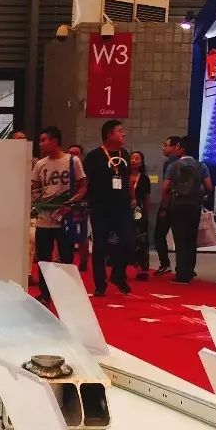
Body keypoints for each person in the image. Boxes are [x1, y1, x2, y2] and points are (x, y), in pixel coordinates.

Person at [30, 126, 87, 301]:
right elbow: (34, 187)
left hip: (65, 219)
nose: (40, 144)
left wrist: (71, 202)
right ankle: (45, 294)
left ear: (54, 141)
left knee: (66, 259)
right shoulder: (40, 164)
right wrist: (39, 203)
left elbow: (83, 186)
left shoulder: (73, 161)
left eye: (43, 140)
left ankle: (66, 295)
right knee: (44, 259)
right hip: (44, 219)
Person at [82, 120, 134, 295]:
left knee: (128, 241)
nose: (123, 134)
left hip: (122, 206)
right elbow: (85, 181)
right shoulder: (94, 156)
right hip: (100, 207)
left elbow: (128, 180)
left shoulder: (124, 154)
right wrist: (83, 200)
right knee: (100, 245)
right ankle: (100, 283)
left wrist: (133, 198)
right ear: (109, 135)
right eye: (120, 131)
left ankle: (118, 274)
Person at [160, 136, 214, 284]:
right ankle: (189, 271)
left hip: (177, 206)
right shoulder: (201, 166)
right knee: (191, 239)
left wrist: (164, 206)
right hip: (194, 207)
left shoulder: (173, 166)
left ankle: (181, 275)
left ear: (183, 149)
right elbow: (209, 187)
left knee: (180, 240)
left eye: (178, 146)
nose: (176, 148)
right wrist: (200, 194)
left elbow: (165, 188)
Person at [153, 136, 184, 275]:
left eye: (166, 145)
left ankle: (165, 264)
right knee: (181, 238)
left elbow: (167, 187)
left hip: (169, 204)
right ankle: (184, 269)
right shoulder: (191, 163)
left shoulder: (171, 163)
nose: (163, 147)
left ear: (174, 147)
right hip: (183, 204)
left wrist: (164, 207)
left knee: (159, 234)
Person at [62, 144, 89, 269]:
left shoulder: (85, 171)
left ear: (81, 155)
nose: (73, 155)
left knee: (82, 235)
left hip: (80, 207)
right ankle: (63, 259)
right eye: (70, 153)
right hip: (64, 207)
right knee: (63, 234)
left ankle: (83, 261)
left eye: (76, 153)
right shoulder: (63, 168)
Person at [128, 151, 152, 280]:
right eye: (132, 158)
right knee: (123, 239)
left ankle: (141, 269)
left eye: (137, 158)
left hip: (138, 211)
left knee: (140, 240)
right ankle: (120, 269)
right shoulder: (122, 176)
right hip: (123, 211)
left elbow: (147, 198)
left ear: (141, 163)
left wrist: (146, 214)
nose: (134, 160)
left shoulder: (144, 179)